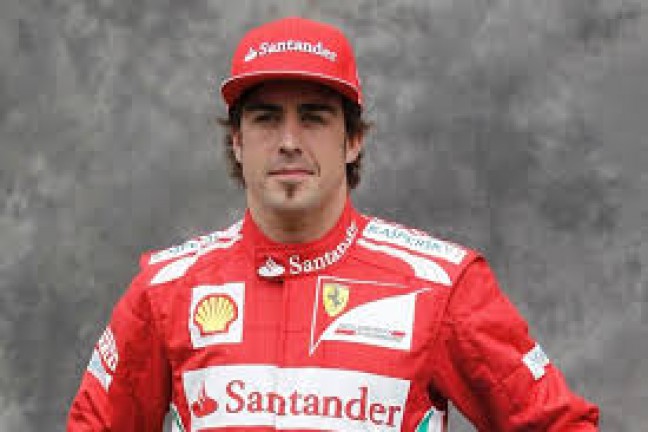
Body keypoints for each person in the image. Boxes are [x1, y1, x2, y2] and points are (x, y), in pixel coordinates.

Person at [67, 16, 600, 431]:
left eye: (314, 117)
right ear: (237, 140)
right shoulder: (165, 290)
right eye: (266, 117)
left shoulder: (440, 286)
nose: (289, 141)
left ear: (353, 140)